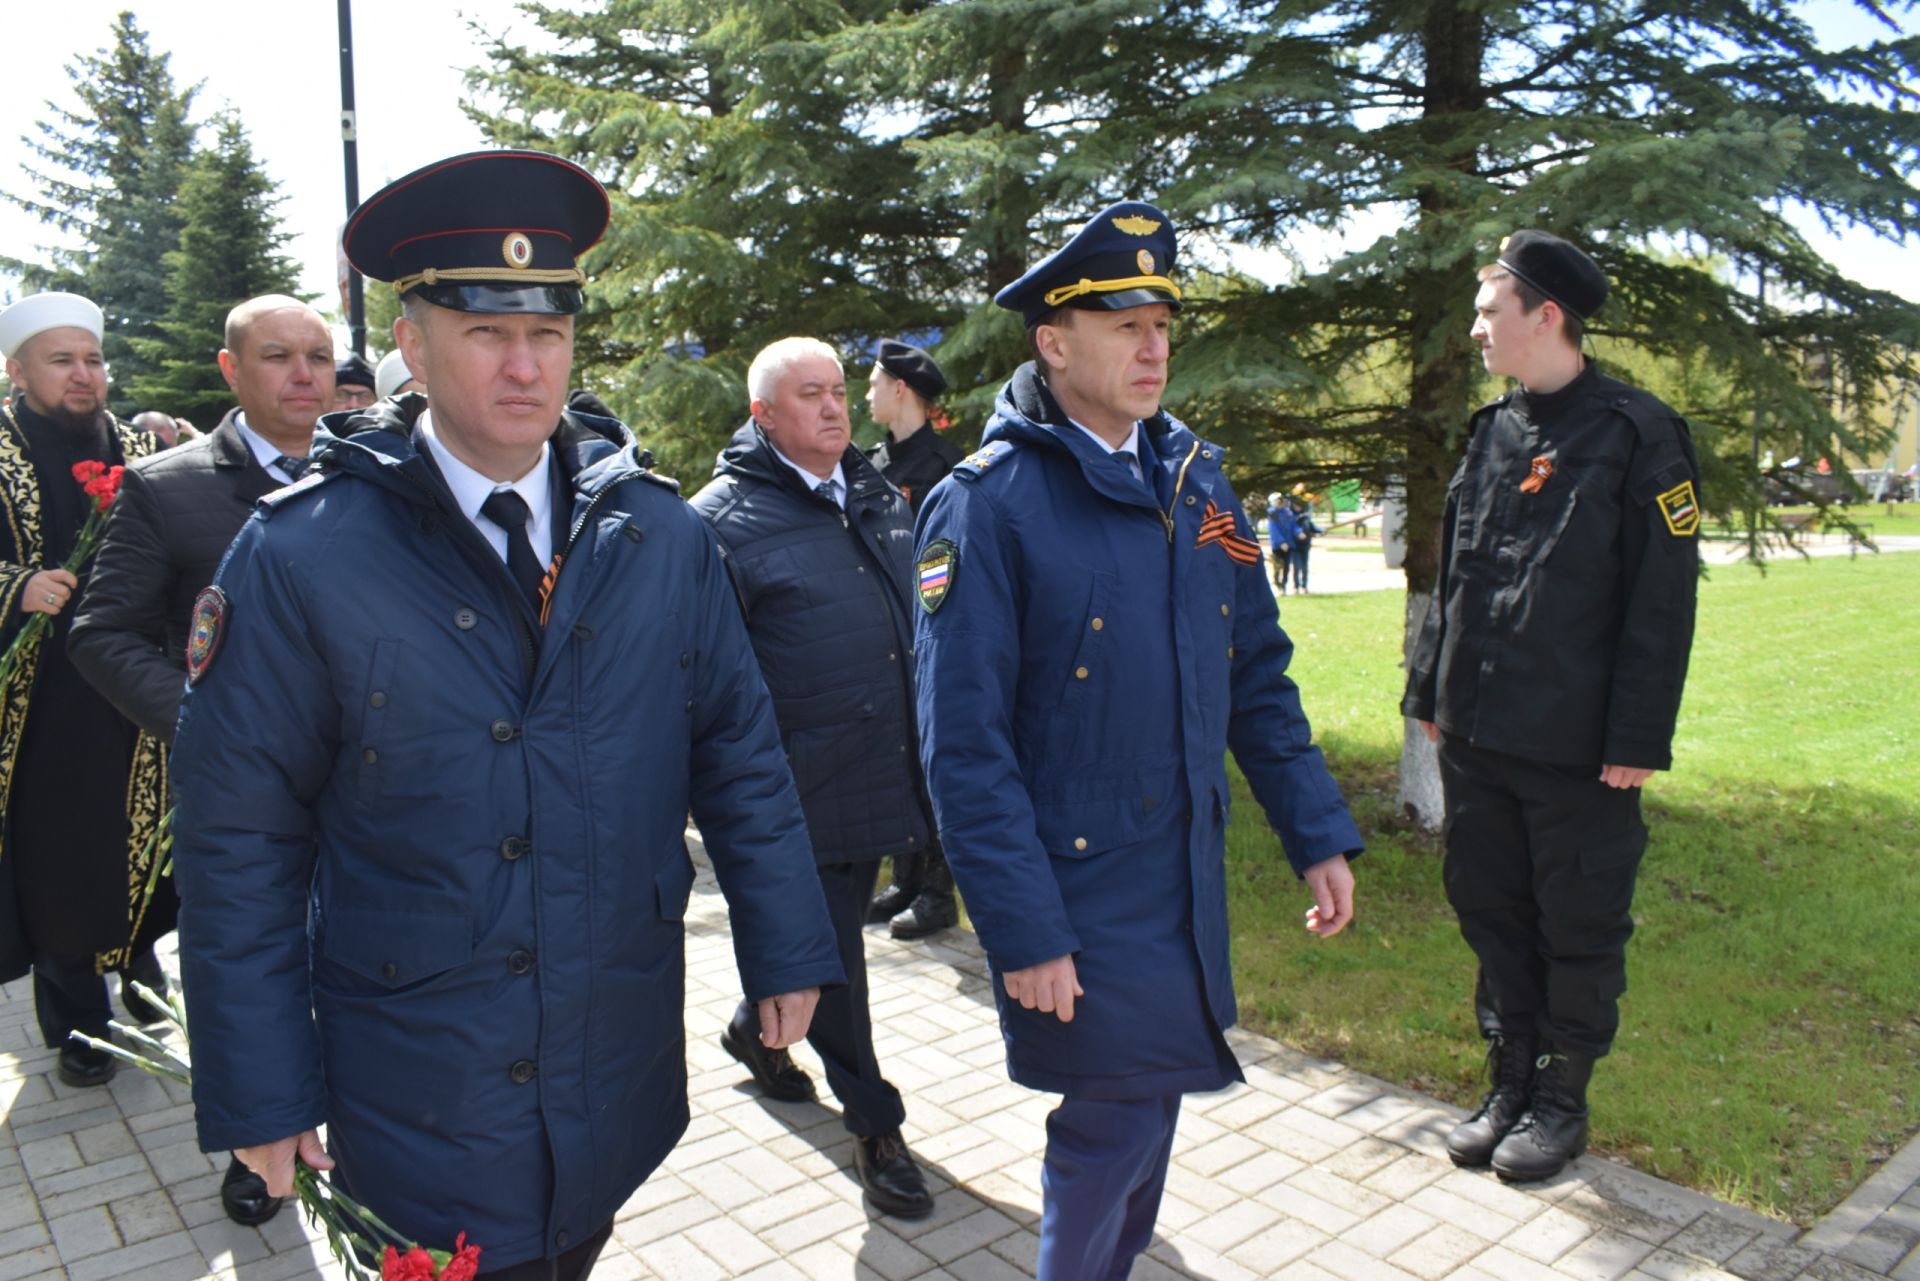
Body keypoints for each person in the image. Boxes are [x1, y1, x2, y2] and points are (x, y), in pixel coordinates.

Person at [168, 150, 843, 1281]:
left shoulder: (658, 536)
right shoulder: (300, 554)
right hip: (420, 1069)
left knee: (573, 1248)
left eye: (549, 333)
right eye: (485, 333)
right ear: (414, 345)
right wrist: (262, 1083)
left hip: (607, 1042)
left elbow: (737, 752)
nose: (525, 366)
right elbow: (240, 836)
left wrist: (786, 943)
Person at [912, 202, 1363, 1280]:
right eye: (1124, 325)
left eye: (1162, 322)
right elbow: (962, 747)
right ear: (1054, 343)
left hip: (1181, 877)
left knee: (1147, 1113)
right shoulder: (986, 506)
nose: (1153, 346)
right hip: (1079, 893)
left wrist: (1317, 832)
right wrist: (1022, 930)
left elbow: (1255, 663)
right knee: (1108, 1131)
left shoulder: (1198, 482)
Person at [1401, 229, 1701, 1183]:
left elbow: (1663, 598)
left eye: (1493, 311)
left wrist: (1637, 738)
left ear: (1547, 315)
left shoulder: (1636, 433)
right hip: (1480, 733)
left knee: (1577, 921)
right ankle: (1508, 1082)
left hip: (1578, 747)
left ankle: (1562, 1098)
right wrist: (1428, 692)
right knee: (1492, 910)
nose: (1480, 328)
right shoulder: (1492, 431)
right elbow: (1456, 577)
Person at [68, 294, 337, 1228]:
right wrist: (208, 720)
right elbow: (101, 634)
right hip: (242, 788)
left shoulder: (378, 473)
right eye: (278, 357)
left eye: (317, 355)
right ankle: (254, 1140)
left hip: (369, 779)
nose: (304, 375)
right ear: (232, 371)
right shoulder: (170, 487)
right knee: (252, 963)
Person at [689, 337, 937, 1219]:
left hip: (885, 770)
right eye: (809, 395)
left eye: (839, 391)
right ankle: (875, 1123)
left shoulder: (873, 495)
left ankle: (756, 1031)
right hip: (794, 793)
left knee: (819, 950)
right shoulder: (718, 522)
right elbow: (705, 683)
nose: (834, 408)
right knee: (834, 962)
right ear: (763, 415)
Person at [0, 291, 170, 1091]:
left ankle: (135, 966)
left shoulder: (141, 446)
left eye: (93, 360)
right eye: (62, 361)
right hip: (40, 705)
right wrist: (16, 587)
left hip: (131, 691)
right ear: (17, 369)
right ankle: (77, 1020)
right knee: (59, 858)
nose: (83, 375)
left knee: (142, 840)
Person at [862, 338, 963, 940]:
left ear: (901, 389)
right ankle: (904, 877)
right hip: (885, 638)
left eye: (874, 383)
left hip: (933, 636)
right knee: (899, 761)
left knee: (935, 766)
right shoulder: (869, 465)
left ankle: (938, 893)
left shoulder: (946, 466)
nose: (866, 394)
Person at [1265, 491, 1297, 593]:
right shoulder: (1272, 514)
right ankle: (1277, 583)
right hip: (1278, 546)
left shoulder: (1288, 513)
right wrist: (1281, 542)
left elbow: (1293, 525)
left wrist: (1299, 532)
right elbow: (1273, 530)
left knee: (1286, 567)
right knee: (1278, 566)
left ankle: (1284, 585)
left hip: (1289, 544)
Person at [1289, 495, 1322, 594]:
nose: (1298, 507)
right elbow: (1292, 528)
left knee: (1305, 567)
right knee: (1296, 567)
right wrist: (1298, 533)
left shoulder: (1305, 517)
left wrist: (1321, 530)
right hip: (1295, 545)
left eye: (1299, 505)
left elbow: (1312, 527)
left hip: (1305, 545)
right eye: (1296, 505)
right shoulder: (1290, 516)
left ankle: (1304, 586)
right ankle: (1296, 586)